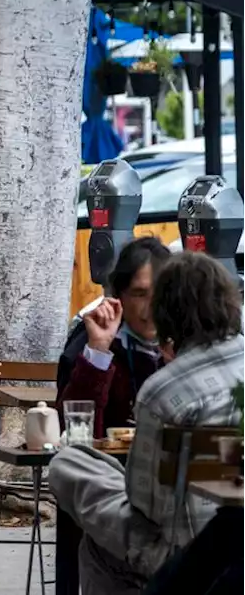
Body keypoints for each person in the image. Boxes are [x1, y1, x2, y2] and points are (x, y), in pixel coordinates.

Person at [48, 252, 245, 593]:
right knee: (75, 462)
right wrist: (98, 349)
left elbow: (146, 506)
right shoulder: (93, 340)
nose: (144, 306)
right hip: (229, 530)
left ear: (165, 310)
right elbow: (76, 413)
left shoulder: (165, 388)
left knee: (90, 525)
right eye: (138, 293)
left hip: (189, 551)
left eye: (150, 296)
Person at [57, 237, 172, 437]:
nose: (151, 308)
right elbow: (71, 430)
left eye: (161, 294)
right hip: (108, 466)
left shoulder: (187, 344)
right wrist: (98, 352)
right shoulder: (88, 343)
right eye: (140, 294)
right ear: (119, 295)